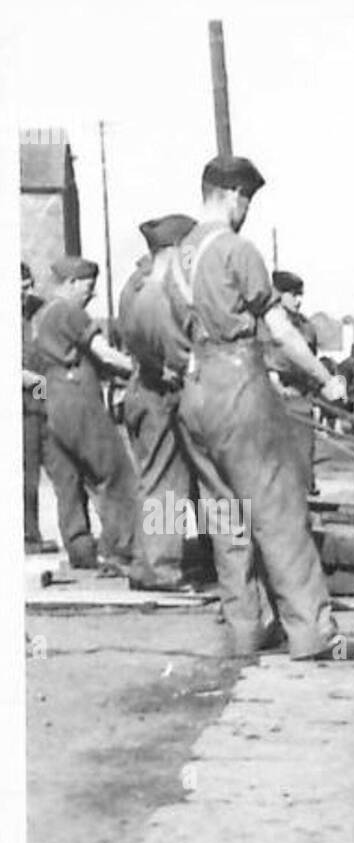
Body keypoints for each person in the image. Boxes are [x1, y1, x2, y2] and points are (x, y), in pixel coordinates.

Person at [170, 155, 354, 661]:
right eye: (247, 199)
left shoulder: (179, 255)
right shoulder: (236, 249)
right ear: (232, 193)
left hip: (195, 389)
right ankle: (314, 635)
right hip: (238, 386)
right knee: (278, 510)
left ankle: (247, 628)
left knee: (227, 513)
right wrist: (326, 378)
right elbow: (281, 331)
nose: (247, 209)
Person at [117, 214, 212, 590]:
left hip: (148, 391)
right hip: (160, 394)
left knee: (168, 483)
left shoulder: (136, 286)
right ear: (173, 250)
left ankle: (158, 563)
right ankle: (159, 570)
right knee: (166, 486)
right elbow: (165, 351)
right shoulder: (159, 291)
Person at [30, 255, 139, 573]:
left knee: (69, 479)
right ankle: (120, 550)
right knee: (115, 474)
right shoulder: (70, 312)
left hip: (53, 397)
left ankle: (81, 550)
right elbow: (103, 352)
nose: (91, 294)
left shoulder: (42, 315)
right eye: (88, 287)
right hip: (78, 398)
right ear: (71, 283)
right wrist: (141, 368)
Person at [264, 269, 319, 492]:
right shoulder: (263, 325)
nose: (298, 301)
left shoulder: (307, 328)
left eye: (300, 295)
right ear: (279, 294)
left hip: (299, 400)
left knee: (303, 463)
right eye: (293, 294)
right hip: (269, 400)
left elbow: (312, 364)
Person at [21, 263, 57, 554]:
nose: (28, 293)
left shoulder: (36, 312)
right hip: (20, 409)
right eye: (21, 289)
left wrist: (44, 387)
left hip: (41, 402)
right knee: (25, 475)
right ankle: (27, 536)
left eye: (29, 286)